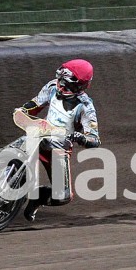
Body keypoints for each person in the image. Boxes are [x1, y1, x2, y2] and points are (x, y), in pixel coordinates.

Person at [19, 59, 100, 222]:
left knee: (63, 196)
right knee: (10, 155)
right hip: (39, 134)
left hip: (59, 148)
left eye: (66, 84)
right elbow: (34, 104)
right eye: (60, 81)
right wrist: (23, 111)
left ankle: (38, 198)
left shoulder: (85, 106)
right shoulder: (52, 86)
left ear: (79, 85)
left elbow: (95, 139)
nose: (61, 86)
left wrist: (81, 137)